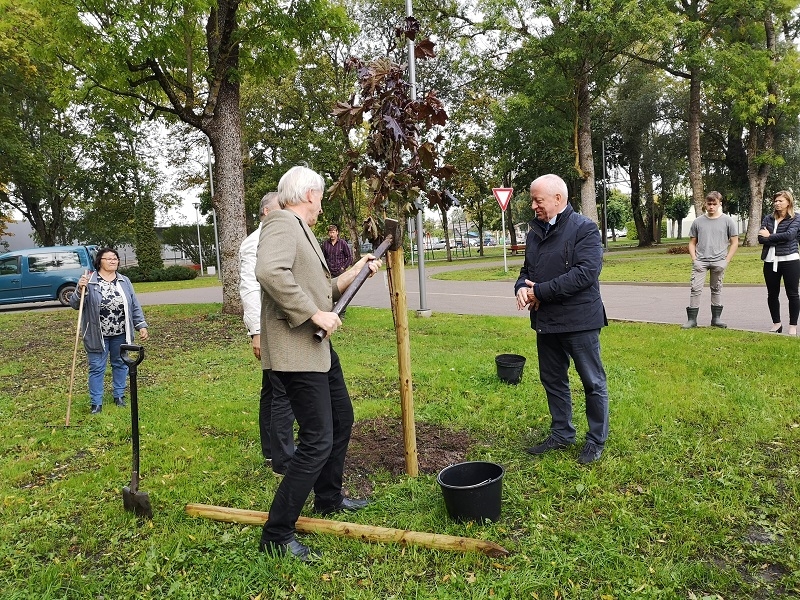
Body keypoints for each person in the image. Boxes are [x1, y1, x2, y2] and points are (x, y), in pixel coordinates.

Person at [255, 165, 381, 561]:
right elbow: (268, 272)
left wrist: (356, 271)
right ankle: (276, 533)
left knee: (342, 419)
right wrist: (313, 313)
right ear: (309, 194)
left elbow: (324, 288)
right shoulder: (281, 222)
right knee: (316, 440)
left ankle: (328, 499)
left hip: (318, 349)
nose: (321, 204)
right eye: (321, 196)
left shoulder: (302, 231)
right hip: (297, 351)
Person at [514, 174, 609, 465]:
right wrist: (520, 288)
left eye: (537, 200)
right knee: (553, 380)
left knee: (592, 382)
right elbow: (526, 270)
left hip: (580, 320)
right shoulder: (534, 233)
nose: (533, 206)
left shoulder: (585, 229)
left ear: (558, 199)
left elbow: (585, 273)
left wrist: (539, 292)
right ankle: (561, 433)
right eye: (532, 200)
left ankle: (595, 441)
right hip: (547, 321)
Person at [238, 192, 296, 474]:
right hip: (269, 327)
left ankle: (272, 451)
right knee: (281, 390)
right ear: (264, 212)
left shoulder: (280, 235)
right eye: (278, 209)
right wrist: (256, 332)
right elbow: (249, 288)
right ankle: (282, 458)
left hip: (279, 323)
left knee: (272, 389)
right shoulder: (254, 243)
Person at [71, 247, 149, 414]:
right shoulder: (89, 280)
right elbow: (75, 304)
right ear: (99, 262)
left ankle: (119, 396)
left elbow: (134, 304)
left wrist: (141, 324)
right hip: (96, 334)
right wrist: (79, 290)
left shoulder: (124, 281)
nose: (113, 261)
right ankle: (96, 403)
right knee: (97, 367)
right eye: (109, 258)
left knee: (120, 363)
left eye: (115, 258)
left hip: (121, 332)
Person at [682, 191, 739, 328]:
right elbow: (692, 242)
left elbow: (735, 242)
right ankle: (692, 320)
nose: (712, 207)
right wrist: (694, 259)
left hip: (719, 261)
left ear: (720, 203)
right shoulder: (698, 221)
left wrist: (727, 260)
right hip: (701, 261)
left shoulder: (728, 221)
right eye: (709, 204)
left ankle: (716, 319)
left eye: (714, 204)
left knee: (717, 288)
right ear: (705, 204)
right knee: (695, 288)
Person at [758, 190, 800, 335]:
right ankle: (776, 323)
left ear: (788, 202)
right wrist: (773, 238)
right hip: (770, 260)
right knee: (772, 294)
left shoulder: (796, 218)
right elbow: (760, 238)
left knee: (793, 294)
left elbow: (790, 236)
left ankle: (793, 325)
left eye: (780, 201)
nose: (777, 203)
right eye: (775, 201)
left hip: (790, 260)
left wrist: (769, 236)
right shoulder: (768, 218)